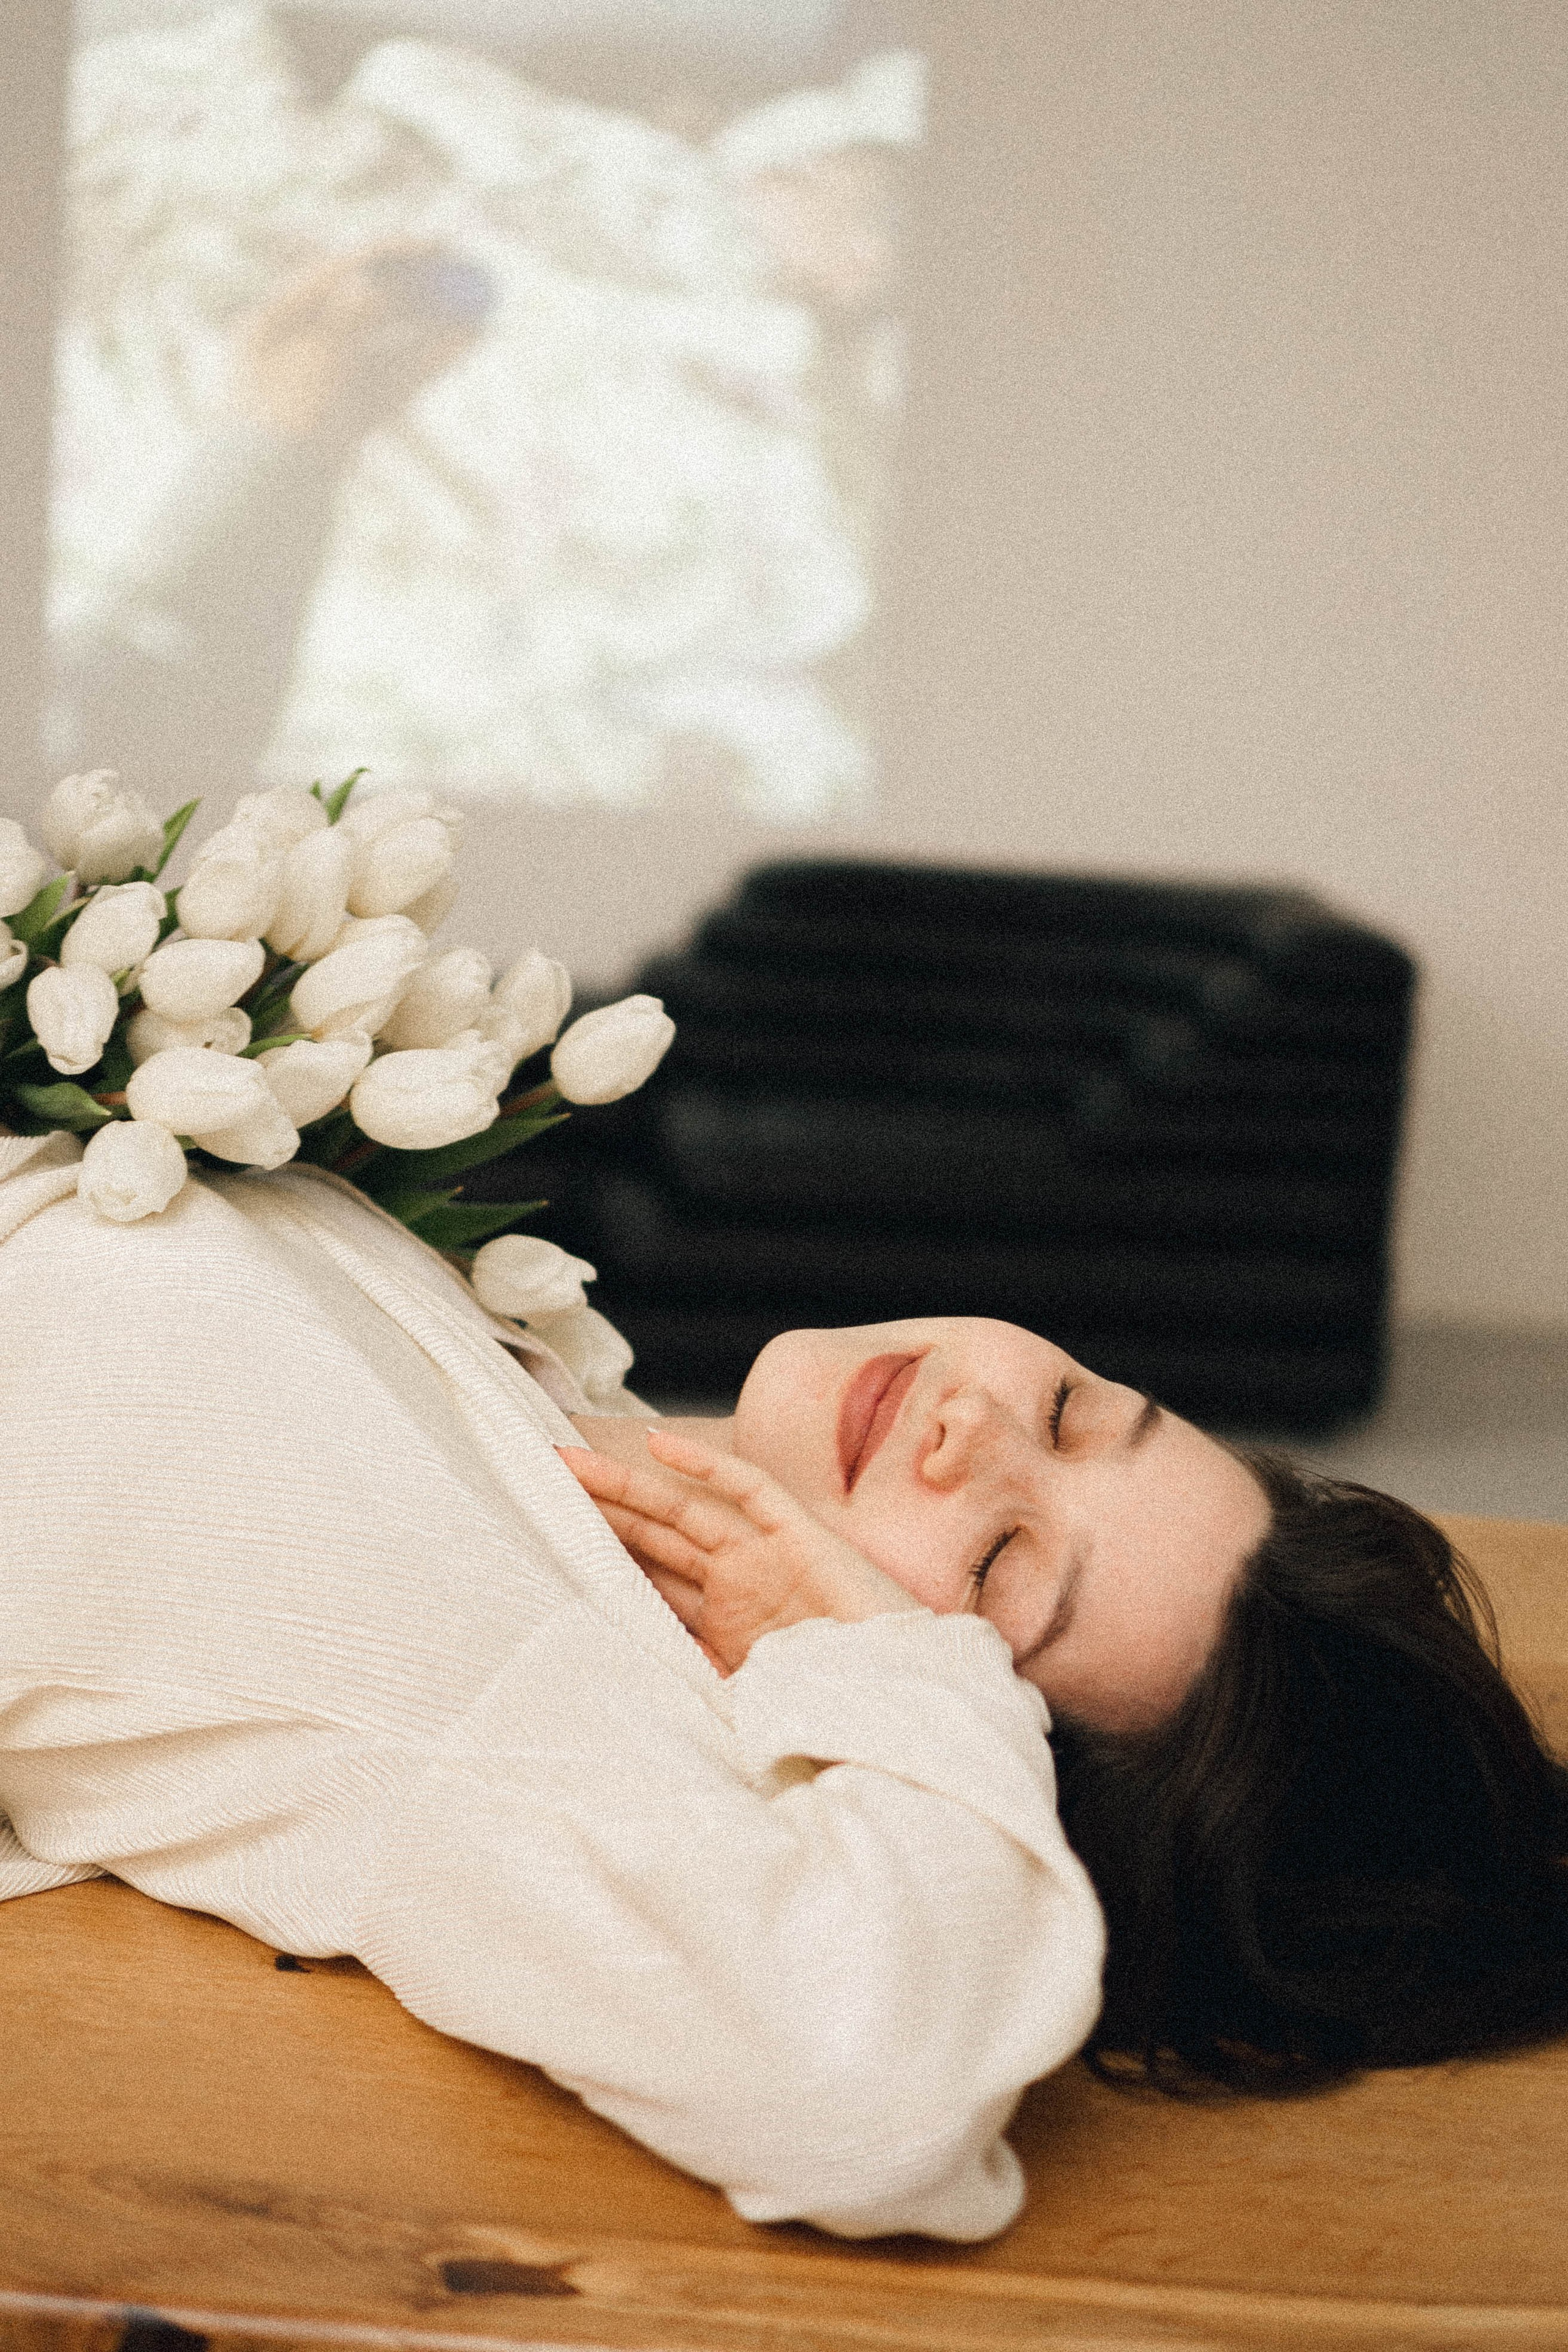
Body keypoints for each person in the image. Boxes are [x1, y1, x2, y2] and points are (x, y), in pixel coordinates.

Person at [1, 1140, 1565, 2242]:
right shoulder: (608, 1465)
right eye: (1084, 1409)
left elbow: (858, 2096)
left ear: (947, 1759)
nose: (980, 1422)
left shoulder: (529, 1708)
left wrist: (877, 1660)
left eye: (999, 1574)